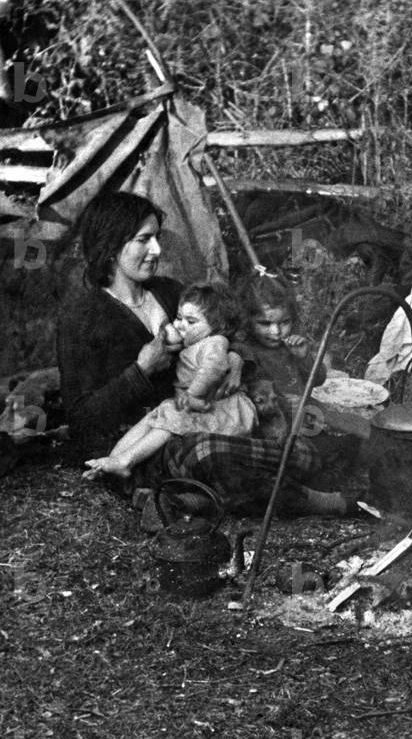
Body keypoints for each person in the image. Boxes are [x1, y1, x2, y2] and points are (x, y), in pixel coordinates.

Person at [57, 191, 353, 516]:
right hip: (142, 444)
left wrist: (237, 359)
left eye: (156, 237)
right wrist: (141, 371)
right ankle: (310, 500)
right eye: (144, 240)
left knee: (299, 445)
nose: (156, 250)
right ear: (111, 246)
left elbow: (226, 330)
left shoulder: (169, 292)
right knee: (208, 453)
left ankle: (193, 501)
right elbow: (81, 419)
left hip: (203, 417)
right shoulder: (83, 316)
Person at [83, 282, 257, 480]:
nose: (181, 325)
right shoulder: (199, 342)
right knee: (155, 416)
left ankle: (126, 461)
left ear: (218, 327)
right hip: (202, 407)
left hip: (223, 411)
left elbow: (214, 368)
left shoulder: (215, 342)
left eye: (191, 322)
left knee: (171, 415)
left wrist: (193, 394)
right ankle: (112, 461)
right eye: (180, 317)